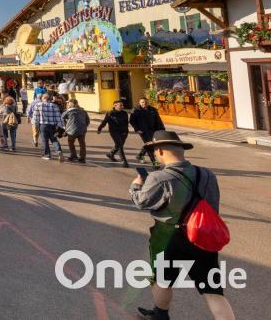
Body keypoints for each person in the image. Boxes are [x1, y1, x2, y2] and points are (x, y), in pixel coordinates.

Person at [130, 131, 235, 320]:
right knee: (212, 289)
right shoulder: (207, 174)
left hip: (168, 237)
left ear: (160, 150)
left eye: (154, 151)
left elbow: (142, 202)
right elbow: (213, 205)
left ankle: (161, 316)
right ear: (181, 150)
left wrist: (136, 186)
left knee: (162, 279)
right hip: (202, 235)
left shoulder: (158, 177)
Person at [131, 97, 166, 168]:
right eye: (142, 102)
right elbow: (132, 121)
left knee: (149, 144)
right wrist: (137, 129)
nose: (144, 104)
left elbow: (158, 120)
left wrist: (162, 128)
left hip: (153, 130)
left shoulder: (153, 109)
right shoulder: (135, 110)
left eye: (146, 102)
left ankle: (140, 155)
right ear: (139, 103)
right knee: (150, 145)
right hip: (142, 131)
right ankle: (154, 162)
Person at [30, 94, 65, 162]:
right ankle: (59, 151)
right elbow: (58, 117)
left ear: (43, 98)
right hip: (52, 125)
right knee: (54, 139)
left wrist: (35, 125)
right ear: (49, 98)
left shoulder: (38, 105)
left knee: (45, 140)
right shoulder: (54, 105)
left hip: (43, 125)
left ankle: (47, 155)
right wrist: (60, 126)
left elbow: (36, 117)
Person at [98, 100, 131, 168]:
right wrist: (100, 128)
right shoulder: (110, 113)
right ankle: (124, 161)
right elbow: (105, 121)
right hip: (114, 131)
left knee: (118, 145)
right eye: (120, 105)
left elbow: (126, 123)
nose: (122, 106)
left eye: (122, 105)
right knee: (120, 146)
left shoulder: (124, 113)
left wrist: (126, 131)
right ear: (115, 105)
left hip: (124, 132)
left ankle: (110, 154)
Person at [61, 99, 90, 163]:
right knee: (82, 144)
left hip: (72, 130)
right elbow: (88, 120)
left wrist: (65, 126)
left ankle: (73, 155)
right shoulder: (83, 111)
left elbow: (62, 117)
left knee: (71, 142)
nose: (67, 104)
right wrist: (84, 126)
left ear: (71, 104)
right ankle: (82, 158)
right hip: (82, 130)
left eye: (68, 103)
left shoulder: (69, 111)